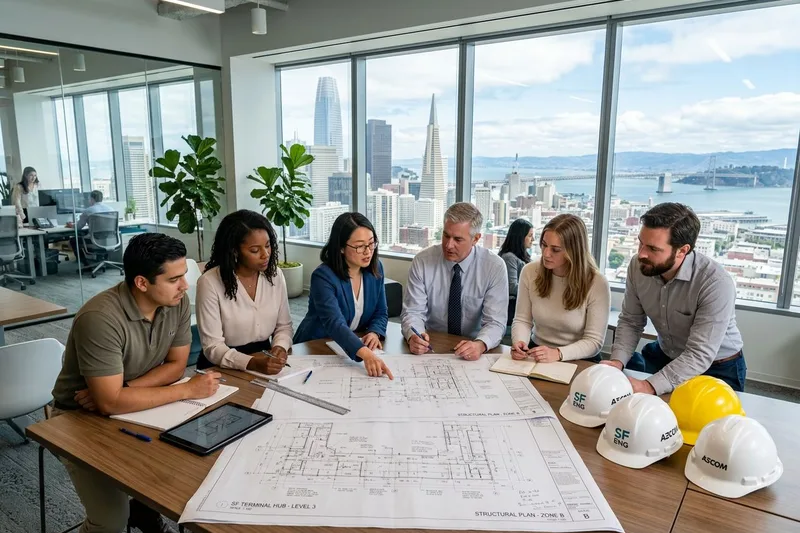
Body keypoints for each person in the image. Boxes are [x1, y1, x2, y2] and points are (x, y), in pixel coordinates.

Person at [50, 232, 222, 533]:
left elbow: (176, 364)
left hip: (131, 401)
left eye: (184, 276)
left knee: (198, 464)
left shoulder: (176, 302)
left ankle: (143, 512)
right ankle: (134, 512)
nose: (185, 285)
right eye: (174, 279)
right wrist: (187, 389)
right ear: (142, 283)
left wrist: (123, 392)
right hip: (77, 417)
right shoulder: (100, 317)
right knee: (111, 521)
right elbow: (108, 404)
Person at [602, 202, 746, 394]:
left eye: (653, 249)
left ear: (682, 251)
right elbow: (631, 321)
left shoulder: (715, 283)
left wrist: (649, 385)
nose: (641, 254)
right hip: (667, 354)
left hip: (717, 366)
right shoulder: (639, 266)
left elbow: (699, 353)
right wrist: (617, 362)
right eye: (640, 243)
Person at [401, 202, 508, 360]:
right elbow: (413, 312)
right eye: (446, 235)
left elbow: (495, 322)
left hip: (473, 347)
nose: (449, 245)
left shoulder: (494, 267)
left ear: (475, 239)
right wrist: (414, 336)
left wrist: (480, 344)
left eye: (458, 239)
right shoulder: (422, 261)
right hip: (431, 345)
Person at [294, 212, 393, 379]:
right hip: (316, 347)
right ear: (341, 247)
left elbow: (381, 311)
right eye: (360, 246)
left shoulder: (376, 268)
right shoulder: (323, 276)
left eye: (371, 243)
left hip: (348, 345)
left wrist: (375, 332)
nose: (368, 251)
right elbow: (335, 324)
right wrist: (366, 354)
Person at [195, 210, 293, 374]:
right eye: (255, 250)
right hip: (220, 366)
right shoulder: (209, 283)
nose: (266, 254)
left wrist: (280, 347)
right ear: (234, 251)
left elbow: (284, 326)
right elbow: (213, 347)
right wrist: (252, 363)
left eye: (268, 245)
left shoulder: (275, 275)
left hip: (264, 356)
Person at [511, 214, 610, 363]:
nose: (546, 254)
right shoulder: (530, 271)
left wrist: (557, 353)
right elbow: (522, 320)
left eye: (555, 250)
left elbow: (594, 341)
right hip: (537, 352)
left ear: (574, 252)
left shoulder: (597, 282)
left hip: (580, 359)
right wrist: (520, 342)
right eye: (544, 245)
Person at [499, 218, 533, 325]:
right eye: (530, 236)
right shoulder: (509, 257)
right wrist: (535, 290)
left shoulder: (523, 256)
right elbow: (511, 286)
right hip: (512, 310)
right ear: (520, 237)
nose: (533, 239)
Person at [66, 190, 116, 264]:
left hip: (95, 241)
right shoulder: (111, 209)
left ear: (92, 199)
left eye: (89, 199)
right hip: (110, 240)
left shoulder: (88, 210)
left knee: (73, 240)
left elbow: (78, 227)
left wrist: (71, 225)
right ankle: (102, 260)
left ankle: (85, 263)